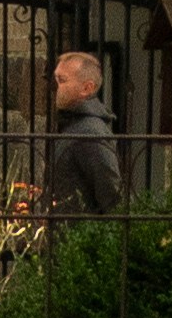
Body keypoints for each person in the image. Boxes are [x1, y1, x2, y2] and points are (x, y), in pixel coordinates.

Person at [45, 52, 122, 220]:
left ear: (87, 88)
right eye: (56, 79)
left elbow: (111, 196)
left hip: (80, 237)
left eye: (62, 80)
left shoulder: (90, 132)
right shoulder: (72, 124)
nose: (55, 87)